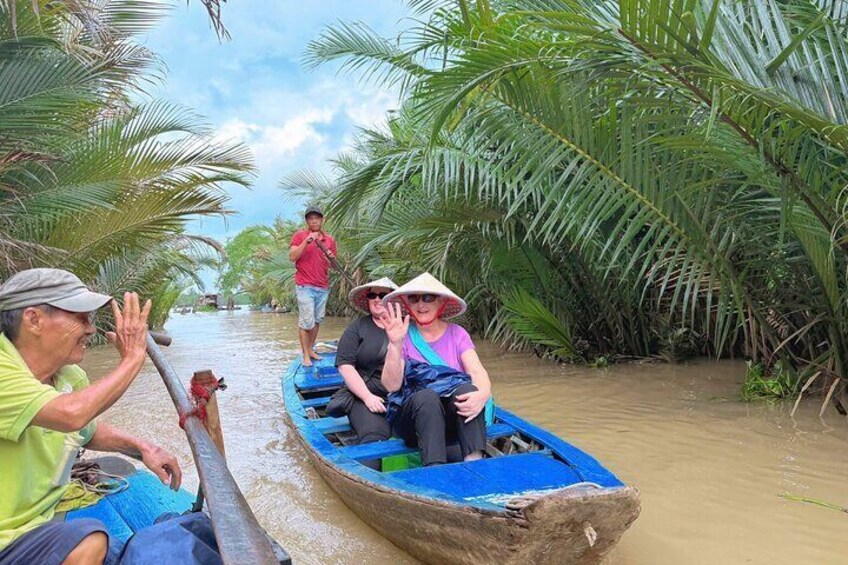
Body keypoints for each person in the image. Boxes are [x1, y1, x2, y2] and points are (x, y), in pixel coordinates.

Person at [0, 268, 186, 564]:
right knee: (89, 539)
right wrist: (133, 358)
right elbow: (71, 415)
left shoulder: (69, 376)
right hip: (6, 538)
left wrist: (143, 448)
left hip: (41, 523)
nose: (90, 329)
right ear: (34, 320)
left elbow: (85, 429)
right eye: (81, 318)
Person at [380, 272, 492, 466]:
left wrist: (483, 394)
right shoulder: (402, 335)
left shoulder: (457, 333)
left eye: (428, 298)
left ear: (440, 302)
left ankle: (475, 463)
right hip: (414, 421)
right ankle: (434, 468)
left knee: (468, 390)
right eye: (414, 299)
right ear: (407, 304)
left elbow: (477, 371)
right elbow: (391, 385)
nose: (421, 305)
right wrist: (395, 344)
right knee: (427, 397)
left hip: (450, 421)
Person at [332, 277, 398, 454]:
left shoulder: (407, 326)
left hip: (401, 396)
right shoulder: (358, 328)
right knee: (375, 435)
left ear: (393, 299)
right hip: (365, 395)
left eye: (383, 295)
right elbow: (345, 366)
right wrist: (367, 397)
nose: (377, 299)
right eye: (372, 295)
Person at [288, 206, 337, 367]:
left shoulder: (329, 240)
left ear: (322, 220)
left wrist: (331, 258)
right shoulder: (300, 236)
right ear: (307, 221)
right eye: (310, 218)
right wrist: (306, 241)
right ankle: (305, 355)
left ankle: (310, 349)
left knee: (317, 320)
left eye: (317, 218)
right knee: (306, 321)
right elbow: (292, 256)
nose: (314, 221)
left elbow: (334, 266)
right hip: (305, 285)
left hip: (322, 286)